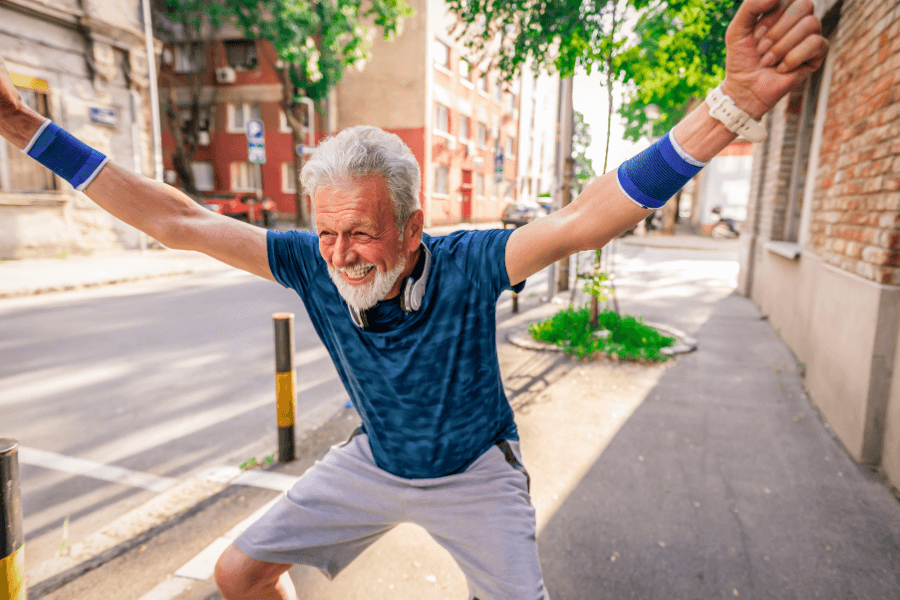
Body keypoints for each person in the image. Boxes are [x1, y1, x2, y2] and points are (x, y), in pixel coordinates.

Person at [0, 1, 827, 598]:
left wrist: (733, 106)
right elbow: (178, 219)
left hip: (474, 473)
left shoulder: (469, 264)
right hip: (375, 462)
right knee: (237, 573)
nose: (340, 255)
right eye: (326, 233)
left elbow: (585, 217)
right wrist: (25, 127)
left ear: (411, 226)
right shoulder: (311, 263)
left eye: (359, 233)